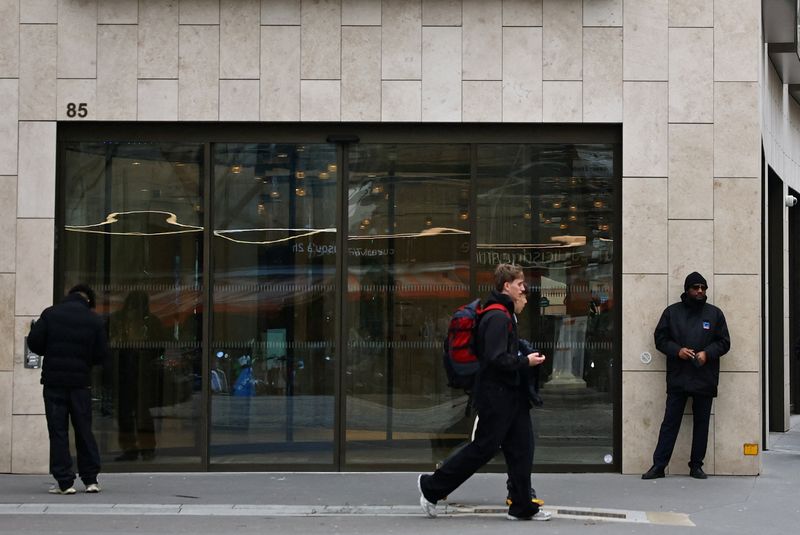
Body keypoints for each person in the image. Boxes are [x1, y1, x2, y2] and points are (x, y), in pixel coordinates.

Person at [417, 263, 551, 521]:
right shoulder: (498, 317)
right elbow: (495, 359)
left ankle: (522, 506)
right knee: (483, 448)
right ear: (506, 286)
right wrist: (526, 361)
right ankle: (431, 487)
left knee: (522, 448)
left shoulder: (503, 314)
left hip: (511, 394)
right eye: (519, 284)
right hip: (497, 394)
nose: (524, 288)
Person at [642, 272, 730, 480]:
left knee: (701, 424)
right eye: (695, 287)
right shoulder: (672, 312)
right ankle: (659, 466)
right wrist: (677, 351)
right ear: (687, 289)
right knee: (670, 423)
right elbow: (660, 339)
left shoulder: (715, 314)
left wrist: (707, 353)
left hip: (704, 377)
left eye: (703, 288)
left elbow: (724, 342)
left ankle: (696, 466)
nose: (700, 291)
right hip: (679, 376)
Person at [28, 284, 109, 494]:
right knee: (84, 429)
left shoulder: (50, 314)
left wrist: (51, 350)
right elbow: (101, 354)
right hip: (80, 383)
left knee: (58, 431)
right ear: (88, 300)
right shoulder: (94, 320)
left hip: (54, 382)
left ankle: (65, 482)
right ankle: (91, 479)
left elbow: (34, 343)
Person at [109, 291, 165, 461]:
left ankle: (144, 448)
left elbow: (159, 346)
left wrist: (145, 357)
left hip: (140, 370)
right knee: (126, 412)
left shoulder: (150, 322)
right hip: (125, 369)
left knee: (140, 412)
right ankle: (132, 449)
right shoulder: (119, 319)